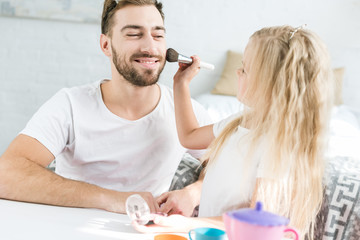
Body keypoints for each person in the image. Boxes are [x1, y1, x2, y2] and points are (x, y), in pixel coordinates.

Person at [0, 0, 210, 216]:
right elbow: (5, 174)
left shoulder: (184, 111)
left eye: (158, 35)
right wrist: (112, 199)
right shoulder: (70, 105)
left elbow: (228, 162)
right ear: (106, 45)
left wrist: (194, 192)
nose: (150, 47)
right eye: (134, 34)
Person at [134, 25, 334, 240]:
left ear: (271, 84)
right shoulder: (240, 122)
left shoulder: (277, 146)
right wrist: (181, 84)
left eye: (245, 69)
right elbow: (189, 136)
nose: (238, 72)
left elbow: (255, 223)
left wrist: (185, 224)